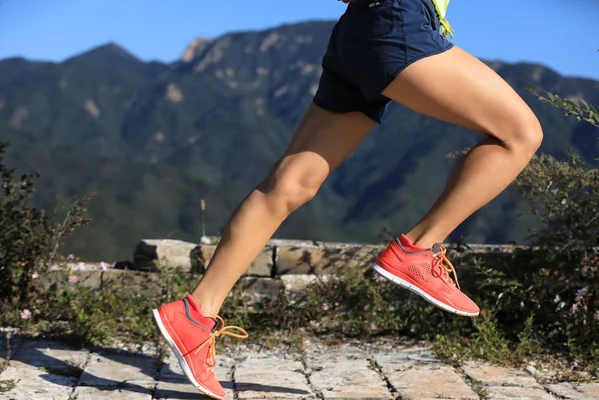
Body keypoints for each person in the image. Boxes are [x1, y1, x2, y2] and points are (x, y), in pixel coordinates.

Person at [152, 0, 543, 398]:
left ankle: (195, 314)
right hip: (399, 23)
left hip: (360, 31)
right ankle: (418, 249)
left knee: (291, 184)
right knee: (520, 134)